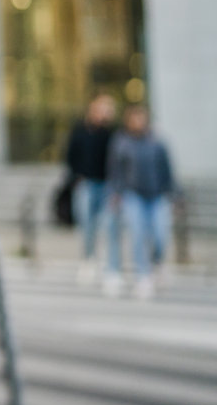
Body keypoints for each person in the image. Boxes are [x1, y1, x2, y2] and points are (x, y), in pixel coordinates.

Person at [103, 104, 177, 300]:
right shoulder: (121, 143)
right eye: (134, 118)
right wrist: (114, 194)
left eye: (141, 117)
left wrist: (174, 195)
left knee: (161, 234)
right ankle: (142, 276)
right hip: (132, 195)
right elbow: (114, 171)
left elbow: (167, 170)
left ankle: (157, 262)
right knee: (138, 234)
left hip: (157, 195)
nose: (138, 122)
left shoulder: (157, 142)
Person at [64, 92, 117, 284]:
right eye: (101, 109)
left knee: (107, 225)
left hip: (107, 186)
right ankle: (88, 259)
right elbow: (70, 155)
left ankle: (108, 263)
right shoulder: (80, 130)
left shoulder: (112, 133)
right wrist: (76, 177)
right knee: (86, 225)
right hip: (86, 183)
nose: (103, 113)